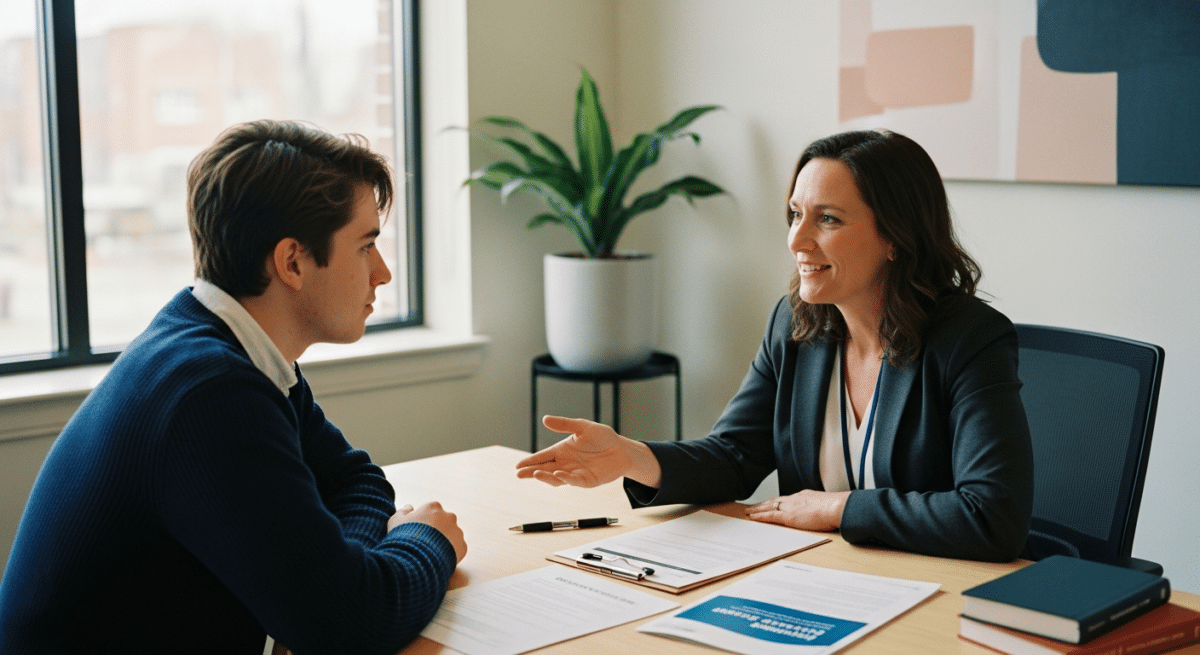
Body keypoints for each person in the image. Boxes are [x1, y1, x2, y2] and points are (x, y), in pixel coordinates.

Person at [0, 120, 467, 654]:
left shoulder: (234, 347)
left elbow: (354, 479)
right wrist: (426, 539)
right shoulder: (211, 391)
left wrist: (341, 571)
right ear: (293, 261)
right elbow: (350, 626)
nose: (382, 274)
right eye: (365, 247)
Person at [516, 129, 1033, 563]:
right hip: (819, 576)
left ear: (895, 236)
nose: (797, 239)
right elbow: (735, 455)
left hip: (932, 589)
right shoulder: (795, 324)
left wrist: (837, 508)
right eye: (794, 214)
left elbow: (991, 515)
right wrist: (632, 456)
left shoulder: (970, 338)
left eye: (827, 219)